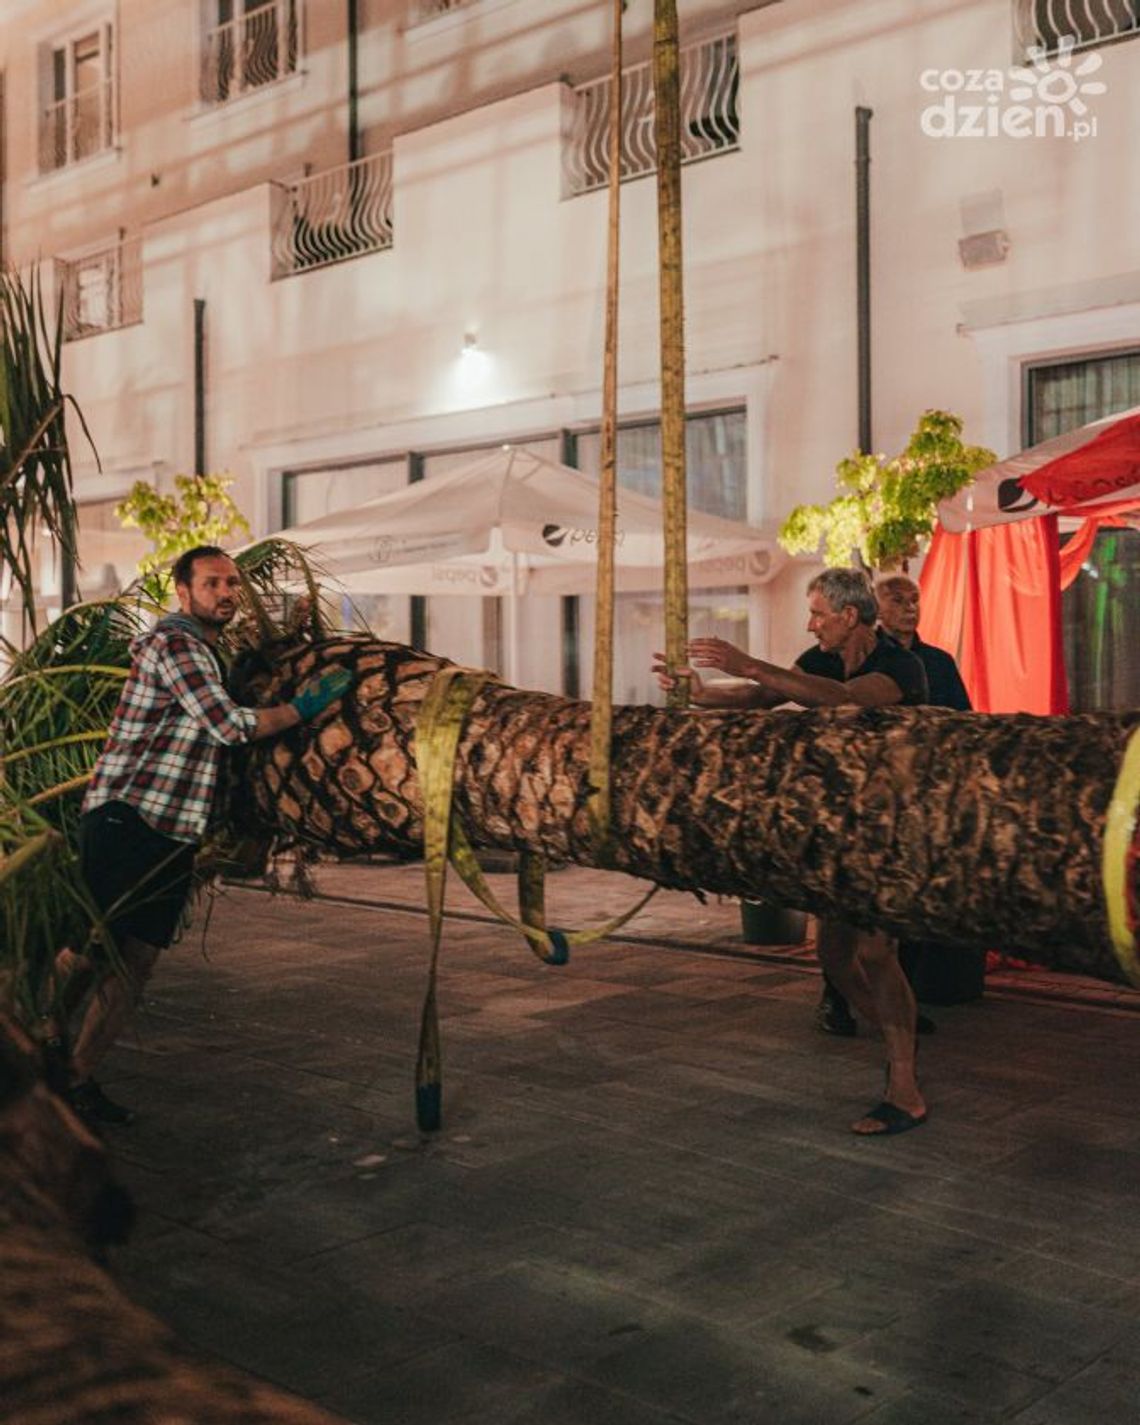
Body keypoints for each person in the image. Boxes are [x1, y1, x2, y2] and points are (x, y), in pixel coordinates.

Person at [48, 545, 353, 1126]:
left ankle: (73, 1079)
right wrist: (302, 708)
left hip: (170, 828)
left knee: (136, 959)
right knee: (90, 944)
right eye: (213, 583)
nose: (227, 593)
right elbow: (226, 725)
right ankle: (35, 1045)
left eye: (233, 584)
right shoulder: (176, 645)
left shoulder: (209, 654)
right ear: (183, 593)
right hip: (129, 817)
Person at [652, 567, 930, 1137]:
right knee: (833, 956)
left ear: (850, 616)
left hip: (892, 820)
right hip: (839, 822)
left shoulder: (900, 665)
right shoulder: (819, 659)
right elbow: (763, 694)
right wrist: (705, 695)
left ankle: (905, 1085)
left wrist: (750, 661)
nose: (811, 625)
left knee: (877, 953)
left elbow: (846, 700)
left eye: (819, 614)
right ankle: (896, 1038)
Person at [874, 574, 971, 711]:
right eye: (898, 600)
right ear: (877, 609)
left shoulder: (940, 661)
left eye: (915, 600)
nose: (910, 608)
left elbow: (965, 719)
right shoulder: (866, 656)